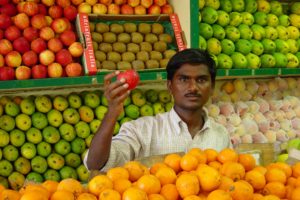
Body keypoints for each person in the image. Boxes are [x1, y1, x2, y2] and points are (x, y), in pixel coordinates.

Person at [84, 48, 232, 171]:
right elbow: (95, 164)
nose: (193, 87)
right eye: (183, 79)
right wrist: (112, 111)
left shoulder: (221, 135)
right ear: (169, 86)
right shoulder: (143, 130)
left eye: (201, 80)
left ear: (212, 87)